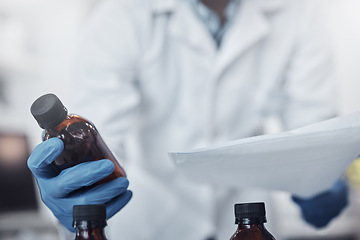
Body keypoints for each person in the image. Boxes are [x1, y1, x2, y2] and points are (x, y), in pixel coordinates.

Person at [27, 0, 349, 239]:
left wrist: (324, 177)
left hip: (246, 218)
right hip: (150, 223)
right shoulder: (121, 16)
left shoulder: (297, 13)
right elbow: (99, 141)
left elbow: (313, 131)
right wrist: (77, 195)